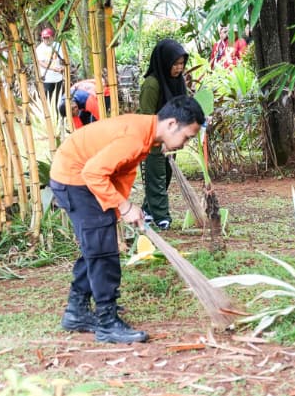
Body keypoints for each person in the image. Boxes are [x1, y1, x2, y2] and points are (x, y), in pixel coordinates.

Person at [50, 95, 206, 344]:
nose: (185, 144)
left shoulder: (145, 134)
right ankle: (107, 323)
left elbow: (118, 173)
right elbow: (93, 172)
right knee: (103, 250)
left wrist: (120, 208)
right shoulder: (135, 138)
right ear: (171, 124)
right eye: (186, 137)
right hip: (75, 178)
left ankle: (76, 311)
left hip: (81, 177)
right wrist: (124, 206)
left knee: (98, 242)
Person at [138, 38, 189, 229]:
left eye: (182, 64)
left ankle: (148, 211)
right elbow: (147, 117)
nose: (179, 68)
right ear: (164, 62)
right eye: (175, 64)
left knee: (165, 176)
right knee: (156, 176)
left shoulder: (177, 82)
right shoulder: (152, 84)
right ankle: (162, 217)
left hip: (171, 139)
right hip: (152, 140)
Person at [34, 26, 67, 100]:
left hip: (58, 78)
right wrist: (53, 68)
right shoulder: (40, 48)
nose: (46, 40)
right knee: (48, 99)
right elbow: (40, 62)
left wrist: (63, 67)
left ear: (52, 37)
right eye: (44, 38)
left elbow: (63, 59)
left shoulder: (58, 45)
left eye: (48, 37)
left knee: (58, 99)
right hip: (47, 79)